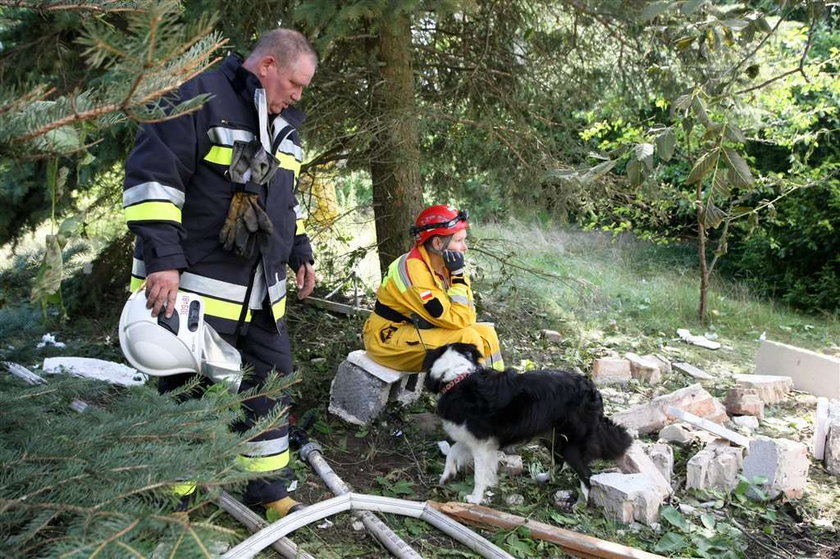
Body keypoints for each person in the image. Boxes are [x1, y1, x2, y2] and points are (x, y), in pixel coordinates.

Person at [122, 29, 317, 520]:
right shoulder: (196, 97)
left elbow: (284, 200)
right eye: (294, 83)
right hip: (197, 290)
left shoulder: (284, 122)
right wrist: (164, 262)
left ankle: (268, 490)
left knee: (272, 384)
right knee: (190, 391)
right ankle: (173, 499)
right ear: (267, 65)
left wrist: (299, 251)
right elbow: (153, 181)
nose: (297, 95)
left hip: (262, 292)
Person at [363, 204, 504, 372]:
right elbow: (457, 320)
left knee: (487, 335)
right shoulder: (414, 271)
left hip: (417, 330)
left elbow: (468, 316)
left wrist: (456, 274)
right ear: (438, 243)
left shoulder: (445, 265)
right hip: (388, 339)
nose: (465, 247)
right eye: (459, 241)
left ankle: (498, 390)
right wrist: (458, 276)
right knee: (467, 338)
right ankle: (475, 393)